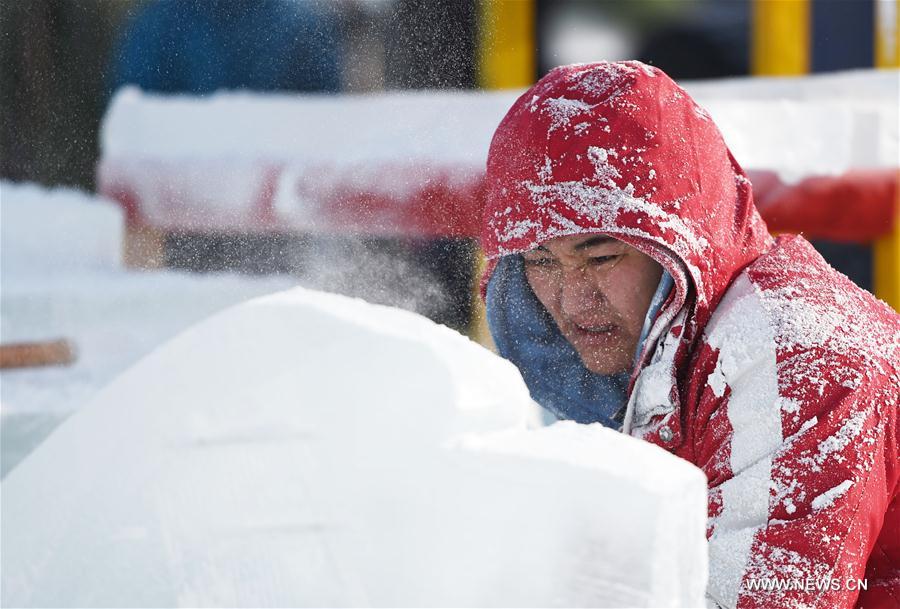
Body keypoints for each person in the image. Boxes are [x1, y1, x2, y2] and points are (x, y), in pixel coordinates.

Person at [481, 61, 898, 608]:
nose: (572, 299)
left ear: (679, 247)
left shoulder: (798, 362)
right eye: (540, 263)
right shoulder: (652, 359)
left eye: (601, 256)